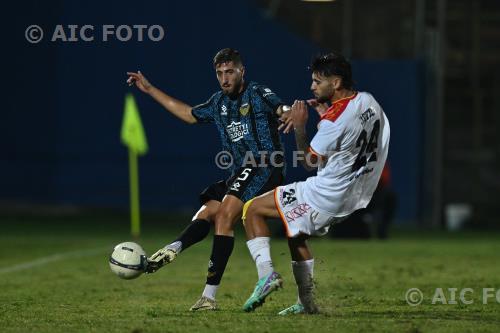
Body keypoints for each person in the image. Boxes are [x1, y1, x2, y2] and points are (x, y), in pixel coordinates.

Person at [126, 48, 293, 311]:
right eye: (219, 73)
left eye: (229, 72)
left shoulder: (257, 93)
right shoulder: (218, 103)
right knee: (207, 212)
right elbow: (189, 114)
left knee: (225, 213)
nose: (225, 78)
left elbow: (281, 107)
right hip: (240, 173)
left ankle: (211, 296)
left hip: (264, 165)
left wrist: (288, 111)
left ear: (241, 71)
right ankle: (173, 249)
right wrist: (150, 90)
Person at [240, 52, 390, 314]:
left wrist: (300, 126)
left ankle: (266, 276)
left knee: (251, 210)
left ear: (336, 82)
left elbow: (308, 162)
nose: (312, 87)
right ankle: (307, 305)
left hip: (324, 195)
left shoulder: (333, 122)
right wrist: (327, 114)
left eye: (317, 81)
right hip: (351, 196)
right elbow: (359, 138)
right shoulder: (368, 101)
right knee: (295, 235)